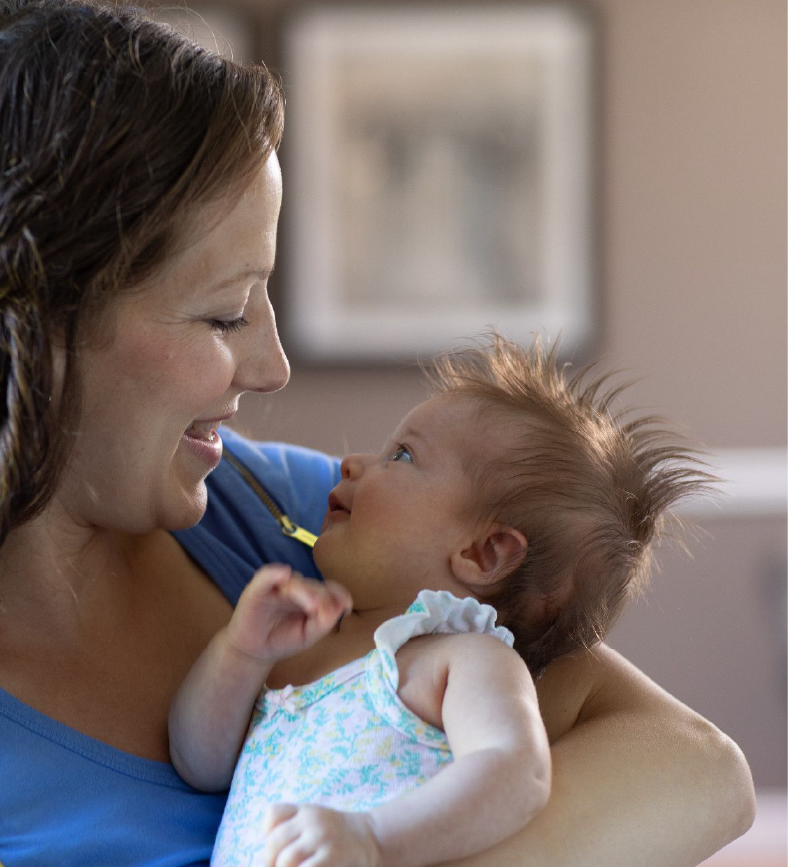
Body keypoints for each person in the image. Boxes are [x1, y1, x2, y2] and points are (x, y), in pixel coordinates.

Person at [0, 1, 753, 865]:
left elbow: (695, 769)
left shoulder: (275, 522)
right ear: (36, 335)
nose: (269, 369)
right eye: (223, 313)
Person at [170, 335, 714, 867]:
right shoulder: (299, 651)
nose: (351, 463)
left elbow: (514, 774)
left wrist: (373, 840)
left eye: (402, 456)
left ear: (483, 553)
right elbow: (201, 765)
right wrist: (240, 653)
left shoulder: (462, 659)